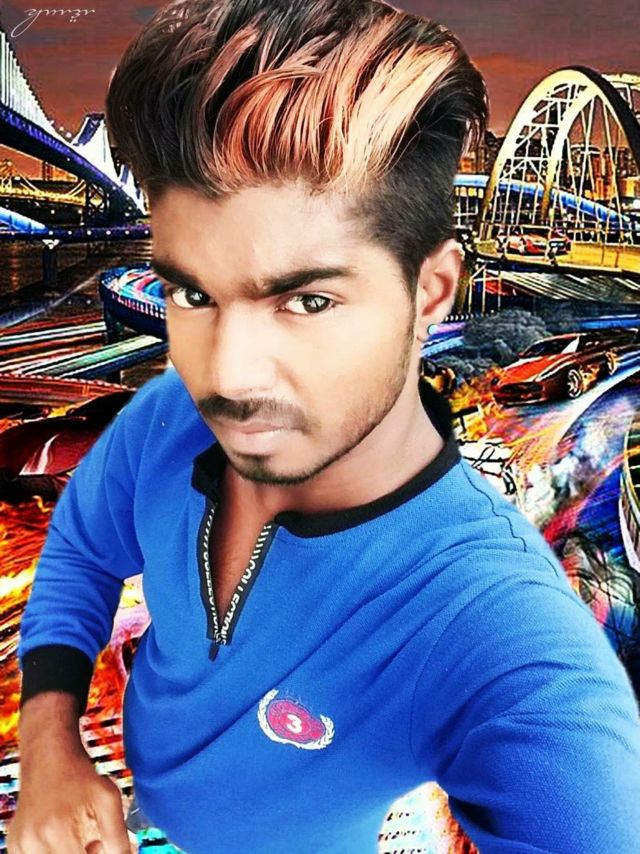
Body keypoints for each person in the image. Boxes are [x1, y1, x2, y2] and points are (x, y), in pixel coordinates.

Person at [7, 1, 640, 852]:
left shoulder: (502, 636)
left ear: (430, 294)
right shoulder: (166, 418)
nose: (230, 375)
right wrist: (51, 741)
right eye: (194, 293)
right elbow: (83, 550)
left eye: (306, 301)